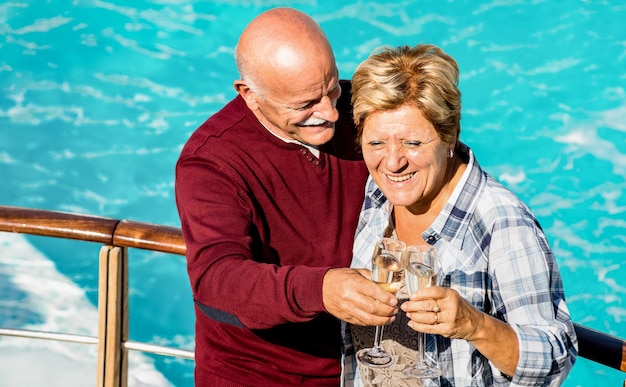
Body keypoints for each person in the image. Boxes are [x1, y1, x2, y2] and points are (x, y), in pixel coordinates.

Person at [175, 8, 400, 386]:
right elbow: (216, 278)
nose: (330, 113)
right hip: (255, 375)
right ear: (249, 95)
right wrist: (322, 289)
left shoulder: (354, 106)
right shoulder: (210, 162)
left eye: (332, 88)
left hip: (361, 367)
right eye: (305, 104)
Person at [343, 44, 578, 386]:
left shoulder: (502, 222)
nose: (393, 163)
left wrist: (473, 324)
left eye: (413, 143)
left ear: (449, 134)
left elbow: (556, 359)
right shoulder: (376, 193)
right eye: (377, 144)